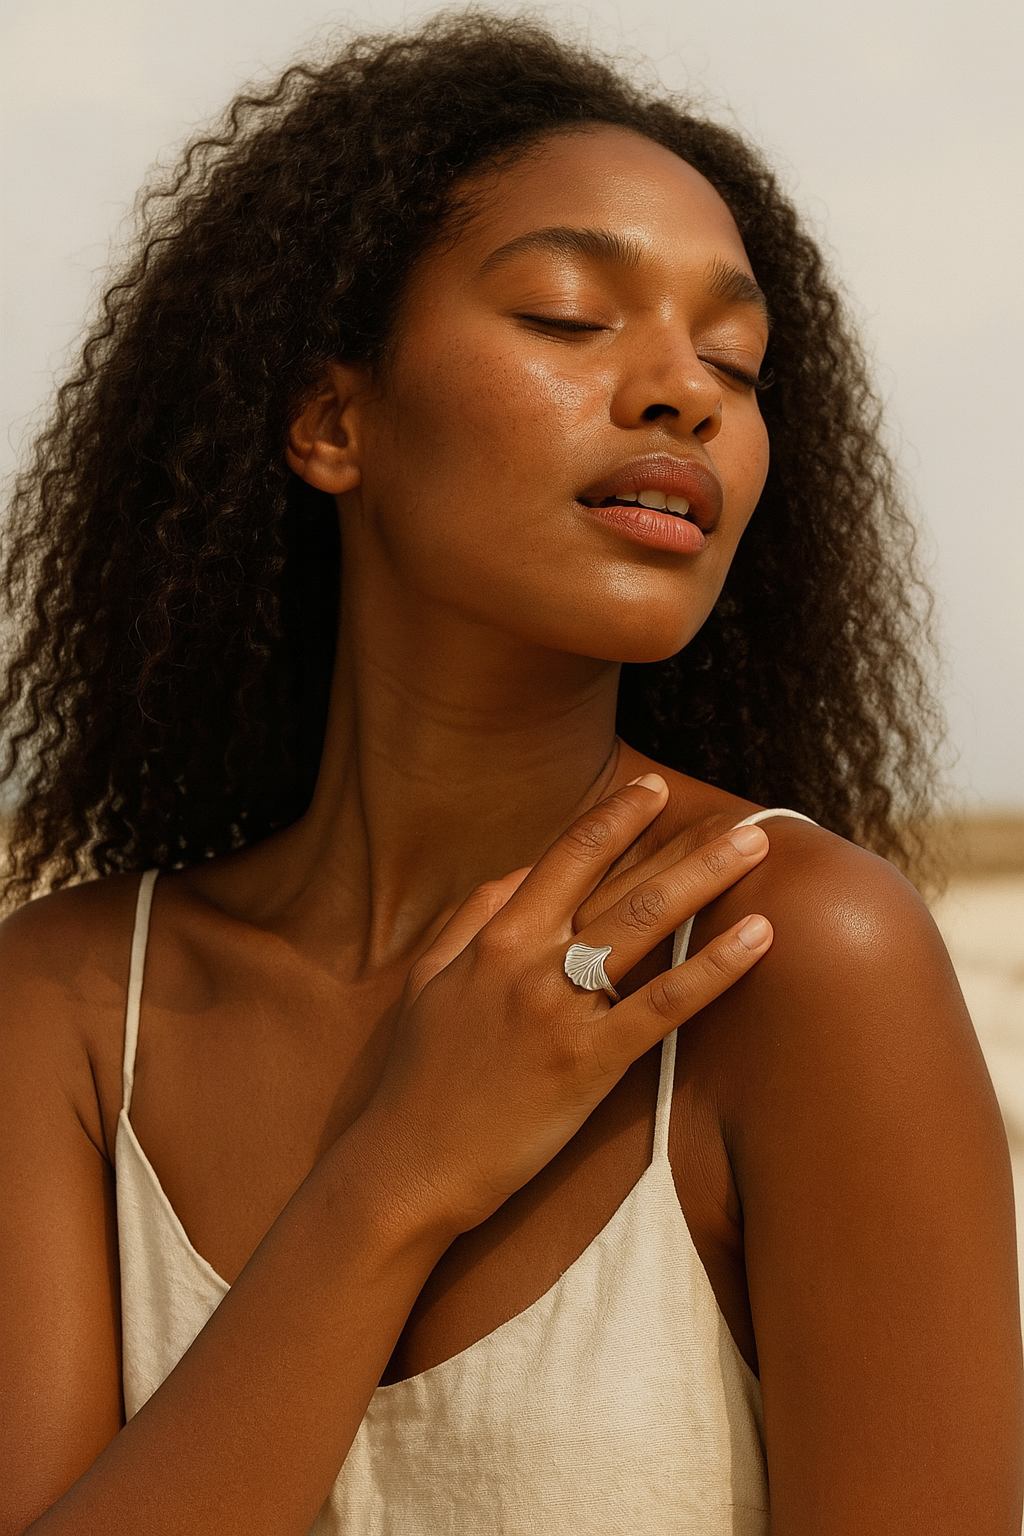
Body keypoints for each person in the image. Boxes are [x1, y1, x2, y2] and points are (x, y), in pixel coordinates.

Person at [0, 14, 1020, 1534]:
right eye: (567, 315)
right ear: (332, 420)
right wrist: (396, 1177)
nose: (686, 392)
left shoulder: (790, 956)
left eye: (734, 360)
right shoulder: (72, 1008)